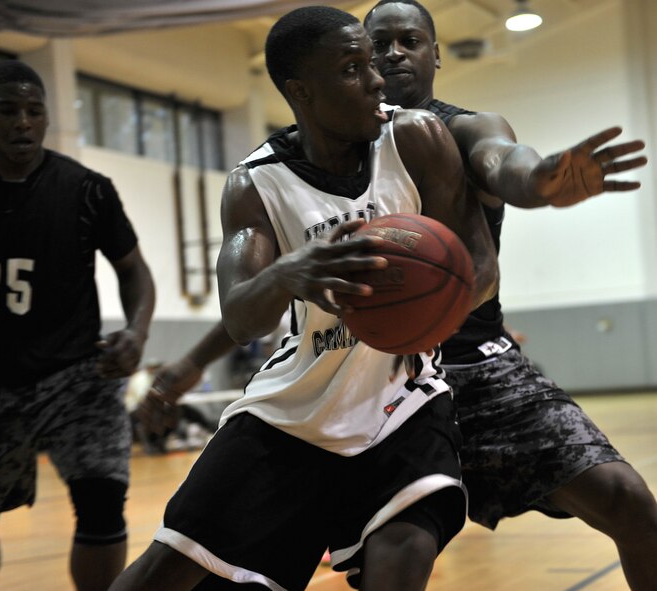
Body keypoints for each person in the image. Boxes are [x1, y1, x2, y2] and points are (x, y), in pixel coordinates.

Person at [110, 6, 499, 591]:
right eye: (352, 67)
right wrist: (288, 273)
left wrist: (425, 307)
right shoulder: (256, 184)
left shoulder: (414, 138)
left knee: (404, 553)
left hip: (406, 403)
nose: (376, 79)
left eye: (371, 63)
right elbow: (242, 318)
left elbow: (482, 266)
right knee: (164, 573)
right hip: (293, 410)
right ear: (301, 91)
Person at [363, 1, 657, 589]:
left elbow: (504, 162)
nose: (394, 52)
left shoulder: (468, 126)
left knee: (629, 500)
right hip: (377, 377)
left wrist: (540, 180)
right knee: (398, 556)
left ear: (436, 54)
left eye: (410, 40)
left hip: (479, 364)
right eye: (380, 43)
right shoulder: (340, 152)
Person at [0, 61, 156, 591]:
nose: (22, 121)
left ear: (46, 119)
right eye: (8, 110)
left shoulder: (88, 189)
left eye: (33, 111)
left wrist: (136, 332)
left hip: (75, 375)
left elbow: (135, 272)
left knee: (102, 504)